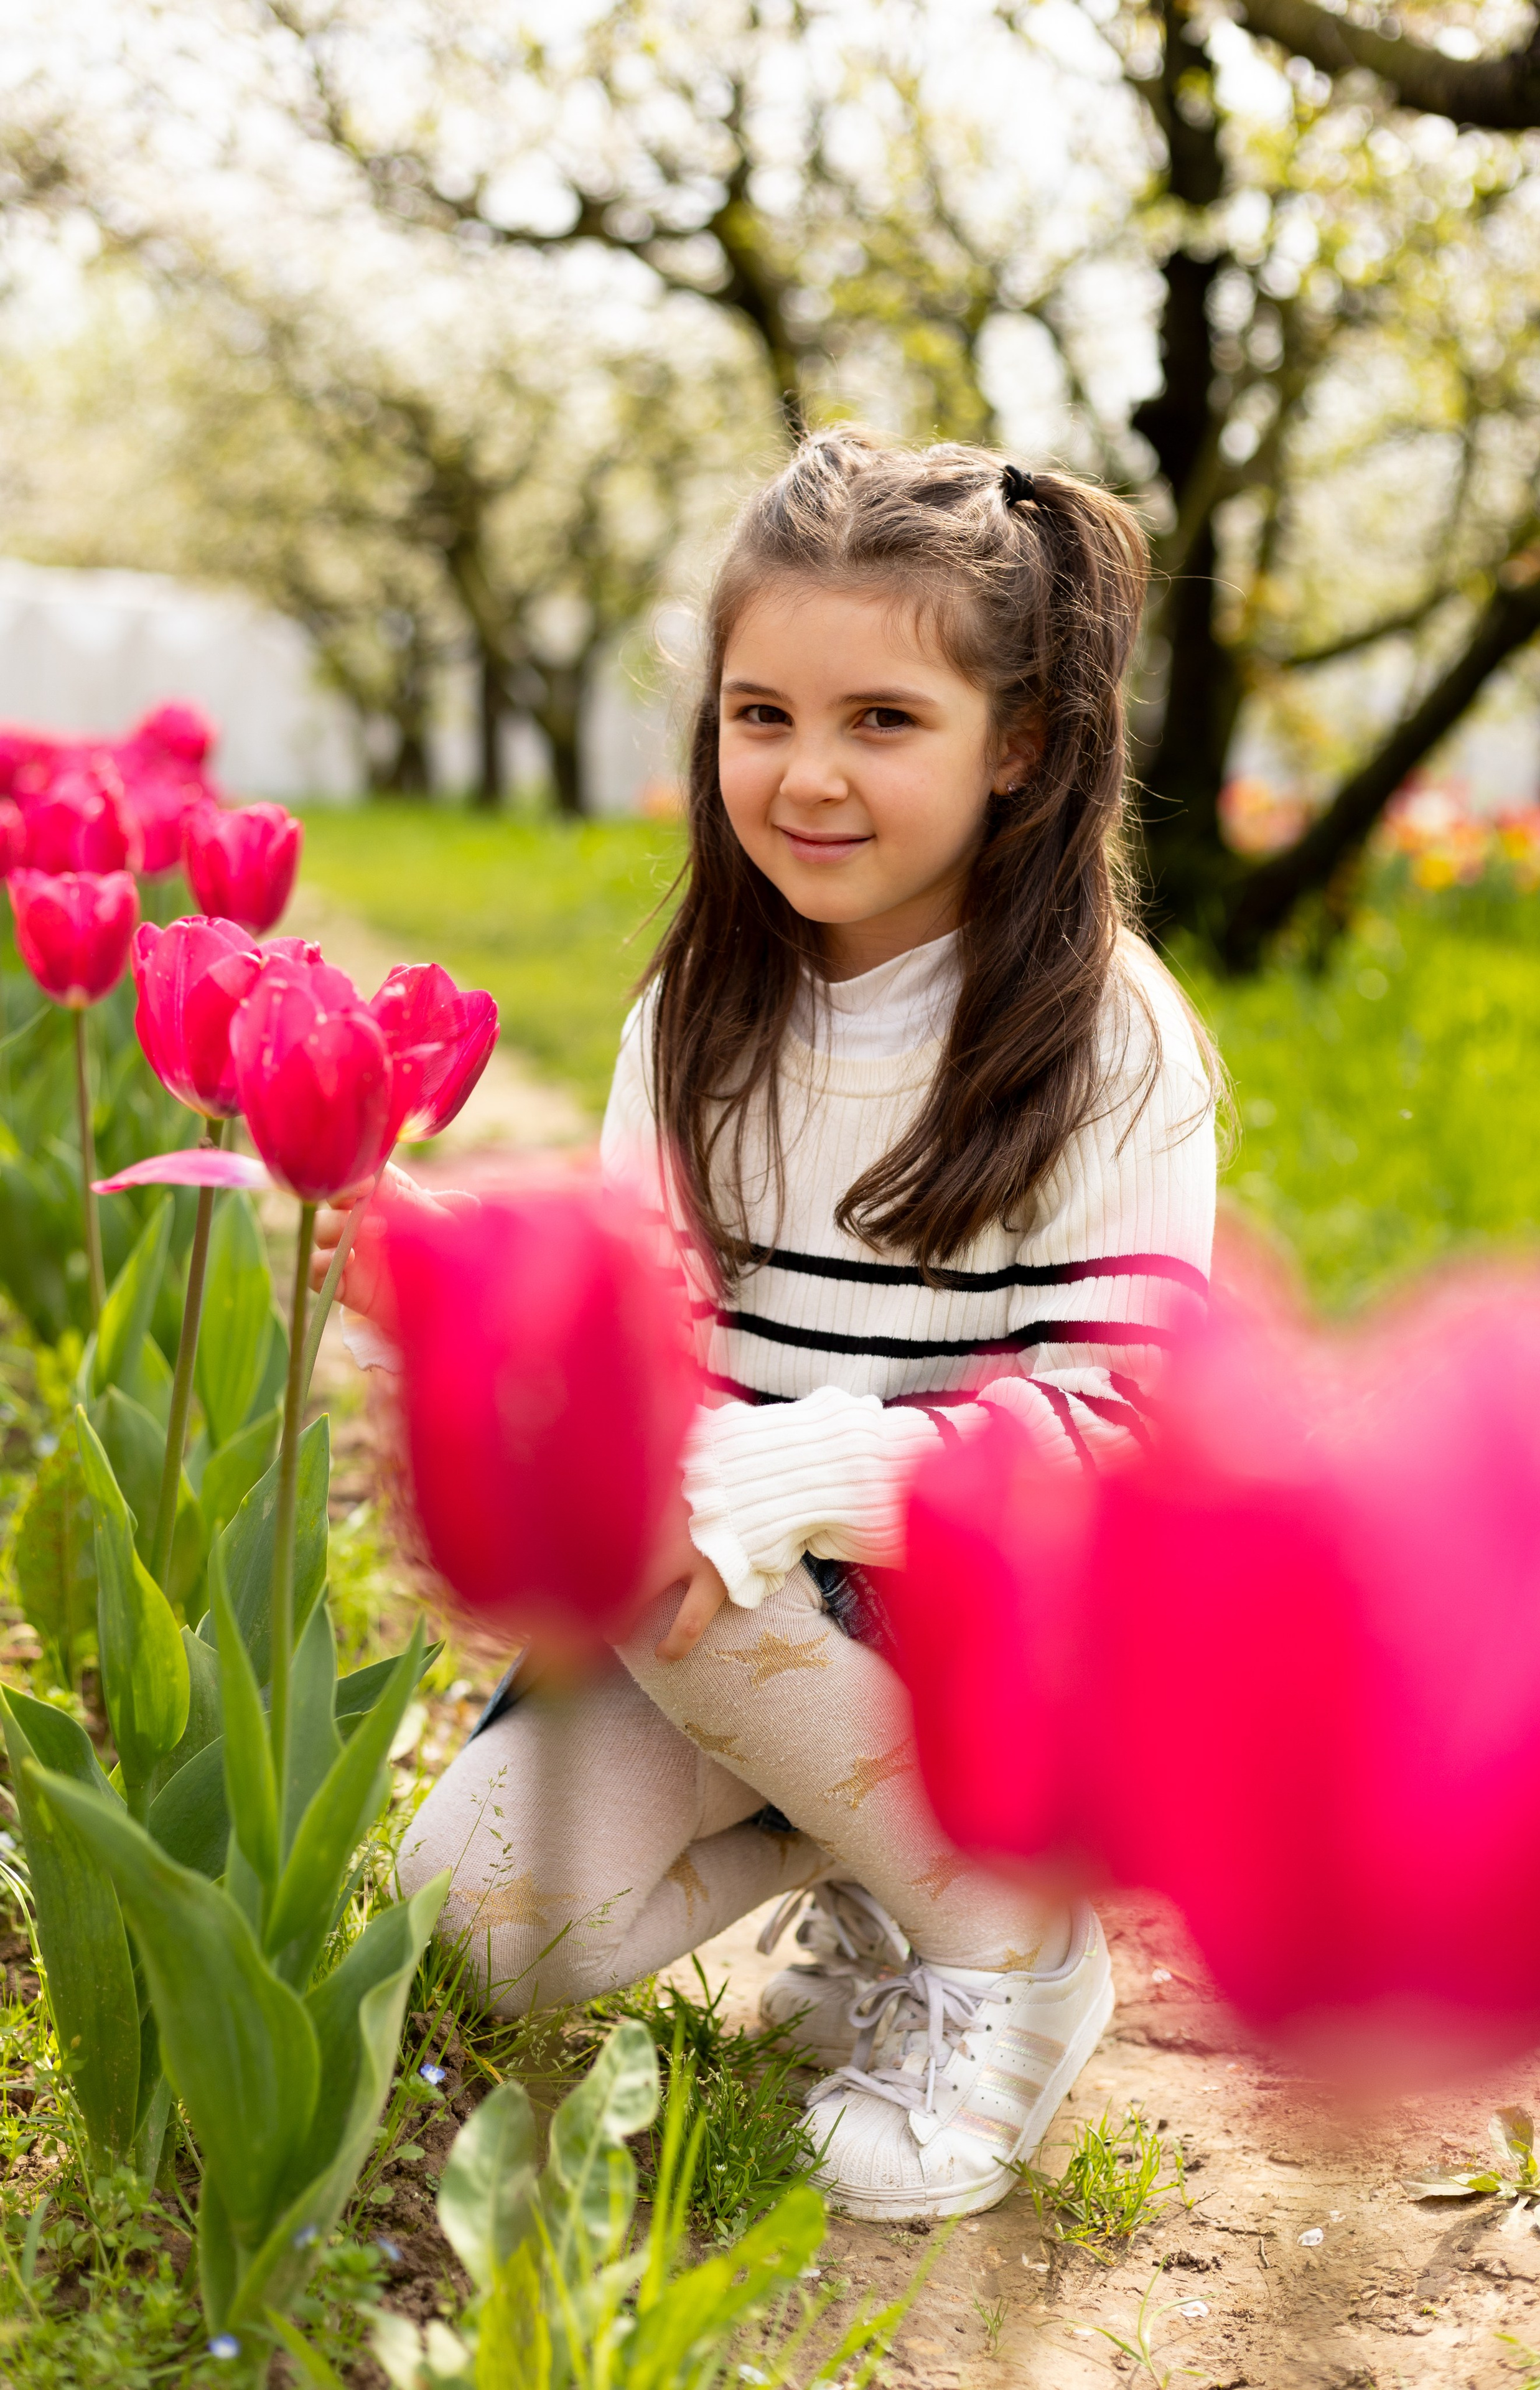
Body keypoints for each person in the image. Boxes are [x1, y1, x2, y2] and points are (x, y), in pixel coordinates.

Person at [319, 430, 1218, 2222]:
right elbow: (641, 1338)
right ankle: (876, 1860)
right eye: (761, 715)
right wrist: (439, 1282)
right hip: (724, 1605)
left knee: (673, 1543)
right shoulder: (696, 1016)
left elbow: (1122, 1433)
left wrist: (775, 1483)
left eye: (883, 720)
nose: (808, 775)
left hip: (977, 1614)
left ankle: (1011, 1945)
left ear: (1020, 745)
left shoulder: (1102, 1042)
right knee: (470, 1926)